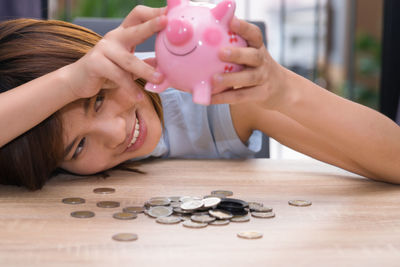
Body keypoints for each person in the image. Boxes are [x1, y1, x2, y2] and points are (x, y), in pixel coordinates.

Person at [0, 6, 399, 190]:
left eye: (99, 98)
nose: (118, 131)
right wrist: (70, 83)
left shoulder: (218, 92)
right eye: (78, 146)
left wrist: (284, 89)